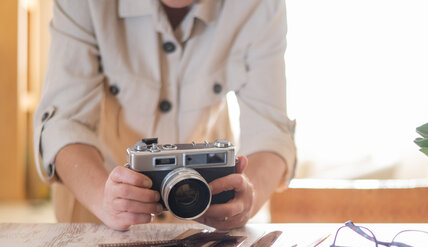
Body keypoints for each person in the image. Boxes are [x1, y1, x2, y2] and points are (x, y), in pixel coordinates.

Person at [33, 0, 296, 231]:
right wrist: (106, 198)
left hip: (206, 222)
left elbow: (271, 131)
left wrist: (249, 197)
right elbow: (64, 124)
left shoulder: (261, 5)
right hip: (96, 208)